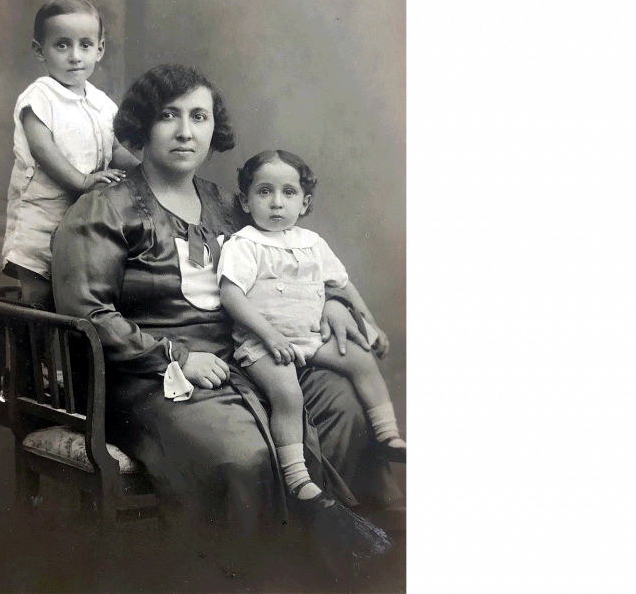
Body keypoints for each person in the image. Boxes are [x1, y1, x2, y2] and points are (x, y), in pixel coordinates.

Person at [51, 64, 403, 580]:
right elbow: (87, 312)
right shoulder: (105, 208)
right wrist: (177, 357)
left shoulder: (226, 205)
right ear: (142, 127)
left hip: (246, 355)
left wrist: (324, 303)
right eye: (167, 116)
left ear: (215, 129)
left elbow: (280, 262)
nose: (185, 131)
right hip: (151, 375)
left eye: (199, 116)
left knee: (343, 406)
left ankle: (334, 574)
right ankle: (251, 581)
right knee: (242, 456)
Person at [218, 150, 406, 512]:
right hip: (263, 344)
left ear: (304, 203)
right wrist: (270, 336)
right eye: (264, 192)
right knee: (288, 395)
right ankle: (297, 477)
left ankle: (386, 434)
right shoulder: (245, 244)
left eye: (288, 193)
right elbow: (231, 296)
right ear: (245, 200)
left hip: (310, 338)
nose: (276, 203)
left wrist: (370, 323)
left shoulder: (312, 243)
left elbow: (344, 285)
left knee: (361, 359)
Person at [1, 0, 140, 308]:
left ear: (100, 49)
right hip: (43, 213)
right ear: (40, 50)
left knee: (74, 292)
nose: (75, 56)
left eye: (86, 45)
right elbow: (42, 148)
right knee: (38, 292)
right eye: (62, 45)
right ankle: (34, 354)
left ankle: (60, 355)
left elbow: (114, 148)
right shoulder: (39, 97)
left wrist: (145, 173)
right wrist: (83, 181)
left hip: (83, 219)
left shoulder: (102, 103)